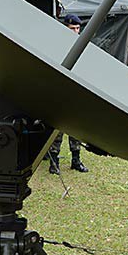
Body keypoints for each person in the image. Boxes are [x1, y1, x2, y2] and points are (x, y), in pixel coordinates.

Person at [49, 14, 88, 175]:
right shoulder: (56, 45)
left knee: (76, 128)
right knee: (57, 129)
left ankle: (76, 160)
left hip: (76, 93)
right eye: (72, 29)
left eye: (78, 29)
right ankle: (54, 161)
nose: (76, 32)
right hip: (59, 92)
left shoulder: (82, 46)